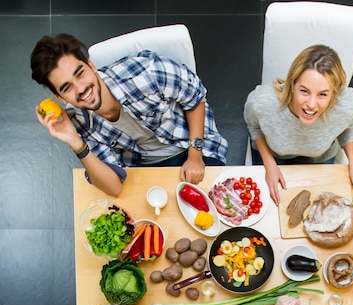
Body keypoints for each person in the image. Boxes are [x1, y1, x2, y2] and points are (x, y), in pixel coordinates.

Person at [30, 33, 228, 197]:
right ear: (60, 97)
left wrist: (195, 156)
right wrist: (75, 142)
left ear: (91, 66)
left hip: (192, 145)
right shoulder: (80, 123)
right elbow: (114, 188)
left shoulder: (147, 72)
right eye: (67, 87)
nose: (81, 88)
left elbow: (195, 96)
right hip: (146, 168)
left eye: (80, 73)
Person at [244, 44, 353, 205]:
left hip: (319, 158)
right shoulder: (261, 102)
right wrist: (269, 164)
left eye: (322, 94)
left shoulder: (347, 105)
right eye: (304, 91)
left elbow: (347, 124)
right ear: (293, 83)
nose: (311, 105)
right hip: (274, 155)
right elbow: (253, 126)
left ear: (334, 93)